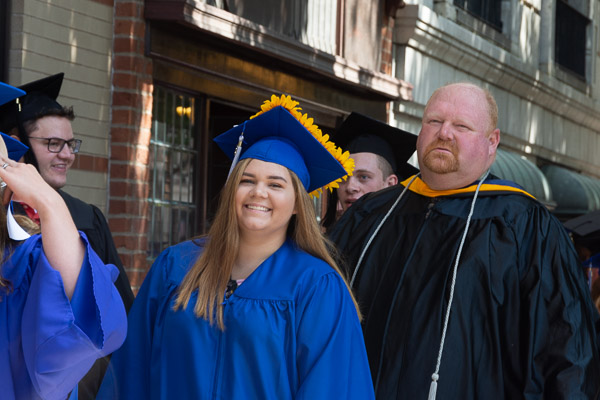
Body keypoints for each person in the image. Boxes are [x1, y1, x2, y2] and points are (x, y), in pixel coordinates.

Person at [328, 83, 600, 399]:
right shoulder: (371, 215)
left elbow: (567, 352)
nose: (444, 133)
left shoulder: (526, 226)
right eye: (434, 121)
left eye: (462, 126)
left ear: (491, 142)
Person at [97, 94, 375, 399]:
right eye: (247, 180)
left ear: (297, 204)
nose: (259, 192)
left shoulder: (316, 287)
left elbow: (330, 388)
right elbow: (130, 372)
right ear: (232, 189)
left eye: (275, 184)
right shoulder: (175, 266)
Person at [0, 73, 134, 398]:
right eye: (52, 144)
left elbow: (95, 318)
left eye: (69, 144)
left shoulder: (79, 222)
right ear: (21, 149)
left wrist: (50, 205)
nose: (67, 155)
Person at [321, 112, 417, 230]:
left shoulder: (404, 238)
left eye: (363, 177)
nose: (350, 187)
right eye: (343, 178)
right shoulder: (327, 243)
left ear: (390, 183)